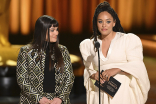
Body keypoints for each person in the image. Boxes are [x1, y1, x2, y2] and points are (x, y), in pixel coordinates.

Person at [79, 1, 150, 104]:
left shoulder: (127, 40)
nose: (104, 25)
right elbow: (88, 69)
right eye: (100, 21)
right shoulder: (89, 45)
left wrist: (117, 69)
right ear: (96, 23)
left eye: (108, 21)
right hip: (100, 93)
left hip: (122, 93)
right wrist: (94, 75)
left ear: (114, 22)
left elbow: (137, 66)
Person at [16, 15, 75, 104]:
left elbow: (69, 77)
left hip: (58, 101)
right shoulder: (26, 51)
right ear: (41, 31)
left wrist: (60, 98)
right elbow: (22, 79)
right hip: (32, 101)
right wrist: (38, 98)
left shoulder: (63, 50)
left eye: (57, 29)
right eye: (52, 30)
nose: (56, 33)